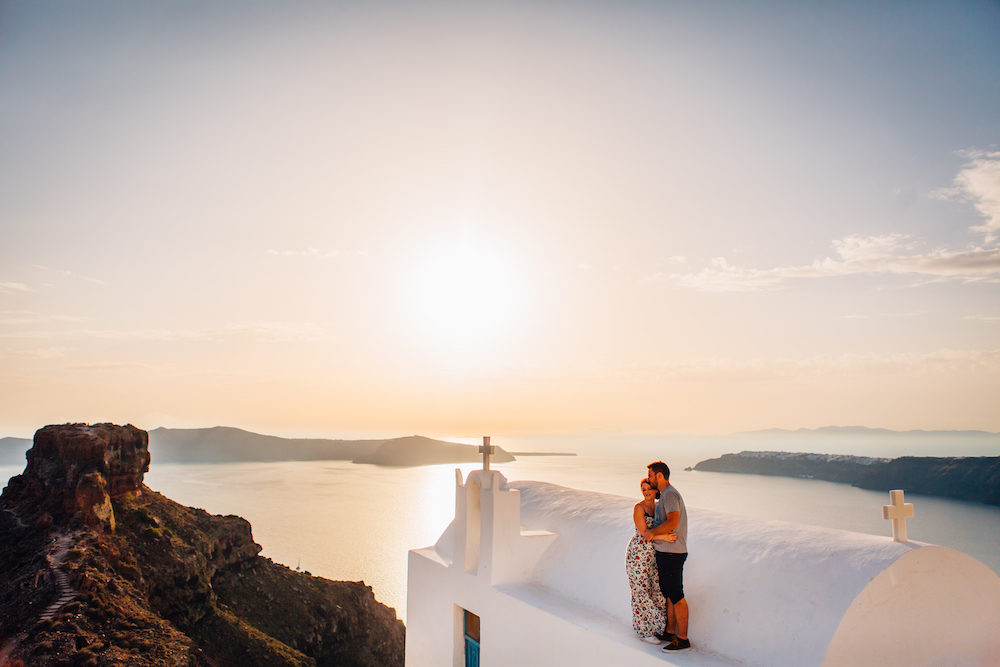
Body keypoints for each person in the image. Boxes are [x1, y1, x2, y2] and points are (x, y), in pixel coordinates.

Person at [644, 461, 690, 651]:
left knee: (677, 595)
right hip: (666, 553)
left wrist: (652, 533)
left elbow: (673, 522)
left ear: (660, 476)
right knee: (669, 594)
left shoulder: (670, 494)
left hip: (673, 553)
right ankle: (670, 632)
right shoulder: (664, 496)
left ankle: (683, 638)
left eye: (650, 475)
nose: (648, 478)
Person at [626, 479, 675, 643]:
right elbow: (645, 533)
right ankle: (644, 631)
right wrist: (665, 537)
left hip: (654, 556)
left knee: (658, 591)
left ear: (656, 491)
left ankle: (657, 628)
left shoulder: (659, 507)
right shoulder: (638, 508)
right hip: (638, 554)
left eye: (648, 489)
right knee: (641, 591)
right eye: (643, 489)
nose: (645, 491)